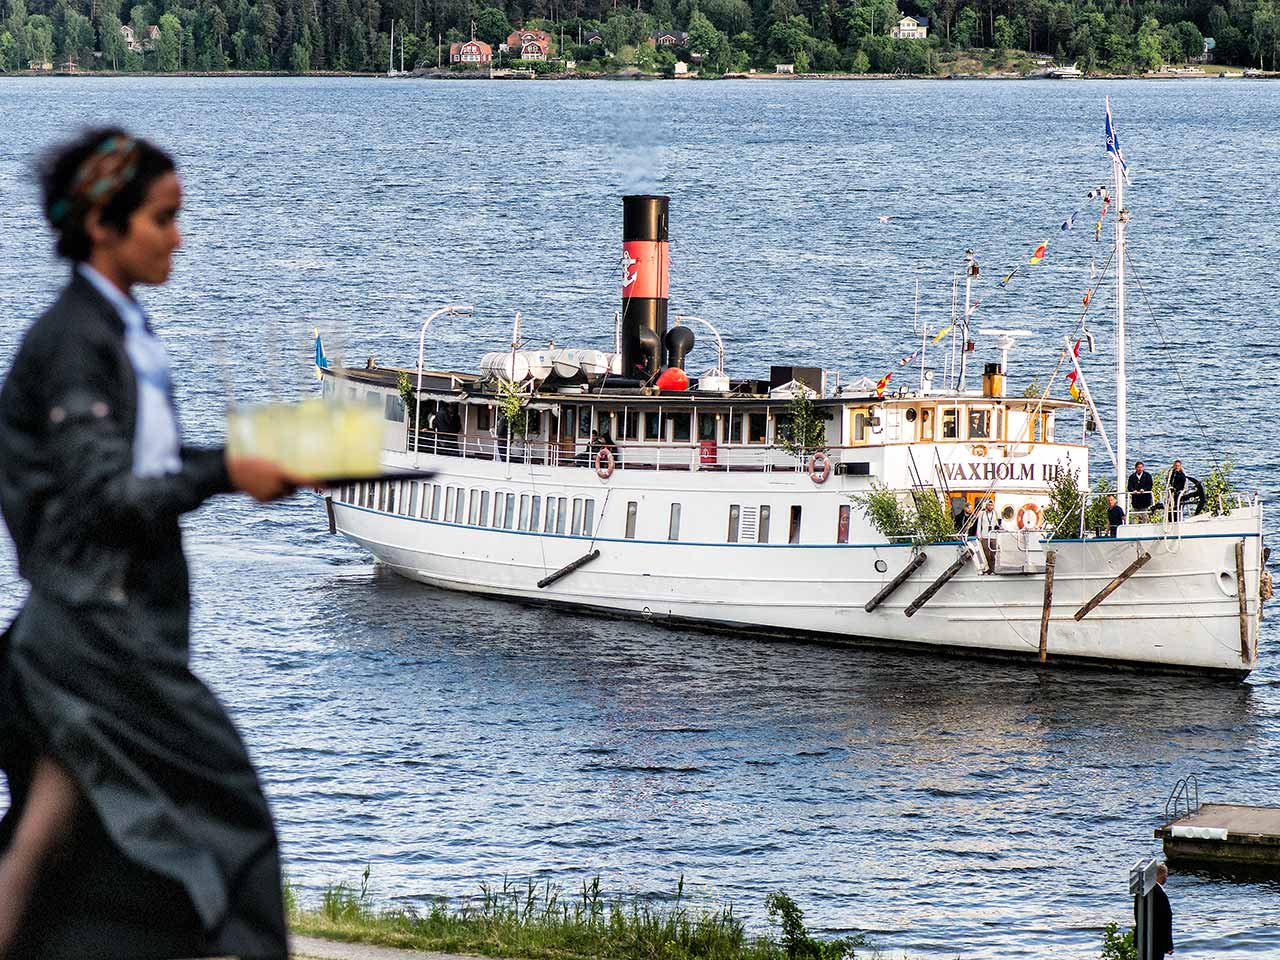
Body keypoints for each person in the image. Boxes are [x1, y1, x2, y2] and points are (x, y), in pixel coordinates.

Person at [0, 129, 299, 959]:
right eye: (162, 218)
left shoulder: (121, 331)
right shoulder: (75, 342)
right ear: (103, 223)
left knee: (45, 849)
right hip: (94, 643)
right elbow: (103, 497)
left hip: (96, 636)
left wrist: (249, 464)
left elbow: (145, 470)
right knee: (227, 817)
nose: (178, 236)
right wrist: (229, 475)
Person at [1135, 862, 1175, 958]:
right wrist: (1169, 944)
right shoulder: (1160, 893)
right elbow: (1165, 920)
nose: (1166, 878)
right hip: (1156, 941)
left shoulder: (1141, 891)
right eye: (1166, 875)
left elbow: (1137, 914)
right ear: (1161, 875)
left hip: (1142, 938)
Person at [976, 498, 999, 572]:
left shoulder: (995, 513)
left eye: (991, 505)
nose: (990, 507)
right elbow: (979, 525)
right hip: (984, 536)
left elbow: (998, 524)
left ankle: (993, 569)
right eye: (989, 505)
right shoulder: (982, 514)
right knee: (986, 553)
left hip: (993, 536)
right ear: (986, 506)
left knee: (993, 554)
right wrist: (979, 536)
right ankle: (987, 569)